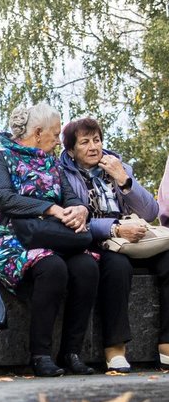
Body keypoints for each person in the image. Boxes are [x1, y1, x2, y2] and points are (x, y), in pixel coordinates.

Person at [0, 102, 99, 377]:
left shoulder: (50, 162)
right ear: (37, 131)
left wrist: (79, 209)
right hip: (9, 238)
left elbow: (69, 197)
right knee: (52, 267)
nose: (58, 140)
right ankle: (40, 354)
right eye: (55, 134)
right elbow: (2, 198)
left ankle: (71, 352)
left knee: (87, 267)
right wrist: (48, 208)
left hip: (50, 236)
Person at [61, 116, 169, 371]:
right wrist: (115, 228)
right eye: (84, 142)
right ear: (71, 150)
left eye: (97, 140)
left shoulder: (119, 166)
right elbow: (77, 220)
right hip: (97, 239)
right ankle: (115, 347)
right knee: (117, 266)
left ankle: (167, 344)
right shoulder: (64, 174)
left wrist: (124, 180)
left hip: (133, 235)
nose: (93, 147)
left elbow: (150, 211)